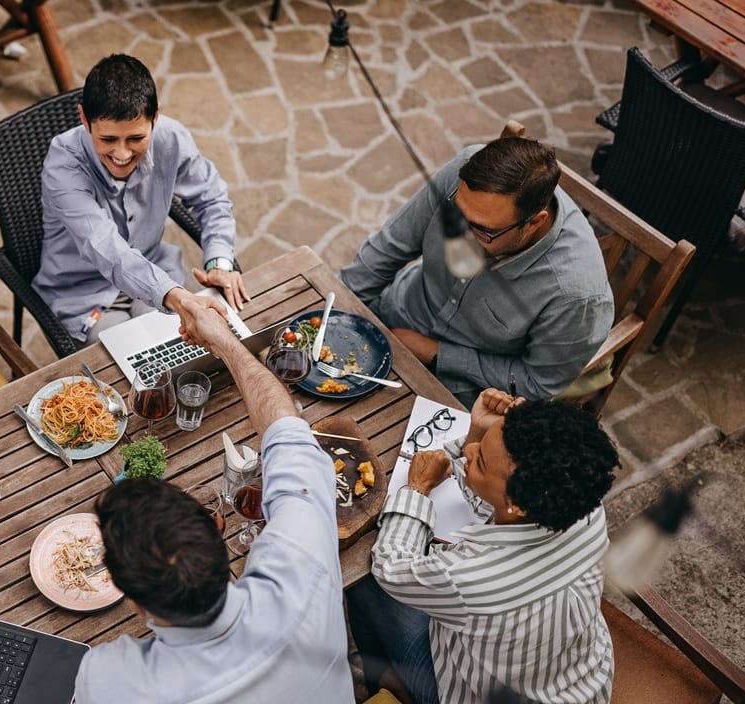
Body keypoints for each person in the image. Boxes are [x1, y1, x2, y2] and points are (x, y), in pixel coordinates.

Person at [74, 297, 355, 702]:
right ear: (216, 525)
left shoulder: (111, 680)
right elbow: (288, 430)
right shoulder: (305, 569)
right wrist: (223, 341)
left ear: (132, 602)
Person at [348, 389, 619, 704]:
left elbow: (391, 566)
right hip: (580, 681)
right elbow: (500, 504)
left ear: (516, 503)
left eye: (480, 461)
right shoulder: (584, 505)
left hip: (473, 694)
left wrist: (417, 487)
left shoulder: (472, 578)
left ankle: (380, 680)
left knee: (363, 580)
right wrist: (478, 431)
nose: (468, 452)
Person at [340, 137, 613, 407]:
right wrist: (340, 312)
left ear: (534, 223)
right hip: (395, 312)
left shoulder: (577, 295)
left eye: (482, 230)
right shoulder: (466, 169)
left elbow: (537, 382)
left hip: (462, 390)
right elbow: (388, 247)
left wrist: (437, 354)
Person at [35, 53, 248, 346]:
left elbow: (211, 199)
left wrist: (220, 263)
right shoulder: (62, 163)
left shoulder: (172, 138)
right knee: (138, 366)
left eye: (135, 138)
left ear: (155, 117)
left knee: (193, 347)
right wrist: (176, 297)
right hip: (84, 294)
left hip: (156, 269)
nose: (122, 155)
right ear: (84, 118)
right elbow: (108, 250)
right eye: (108, 140)